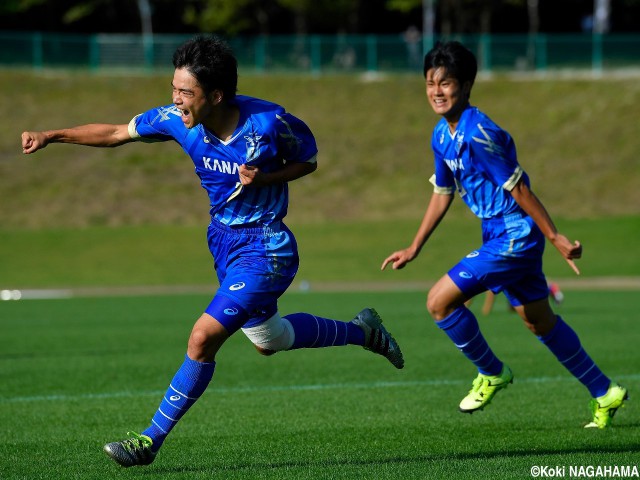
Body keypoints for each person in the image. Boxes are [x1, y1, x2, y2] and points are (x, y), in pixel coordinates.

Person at [21, 35, 404, 468]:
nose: (176, 99)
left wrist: (265, 177)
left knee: (202, 338)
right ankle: (365, 331)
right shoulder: (178, 121)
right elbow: (115, 132)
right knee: (269, 340)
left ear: (216, 95)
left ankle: (148, 441)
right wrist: (50, 135)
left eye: (186, 92)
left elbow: (308, 161)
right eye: (174, 88)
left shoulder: (270, 123)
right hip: (223, 243)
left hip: (266, 246)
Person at [381, 41, 626, 428]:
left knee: (439, 302)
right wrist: (415, 246)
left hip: (514, 234)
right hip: (498, 234)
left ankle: (492, 372)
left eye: (446, 82)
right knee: (539, 322)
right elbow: (442, 192)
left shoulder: (480, 132)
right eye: (430, 82)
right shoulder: (441, 135)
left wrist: (555, 236)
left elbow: (519, 189)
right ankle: (605, 392)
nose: (437, 91)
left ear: (466, 85)